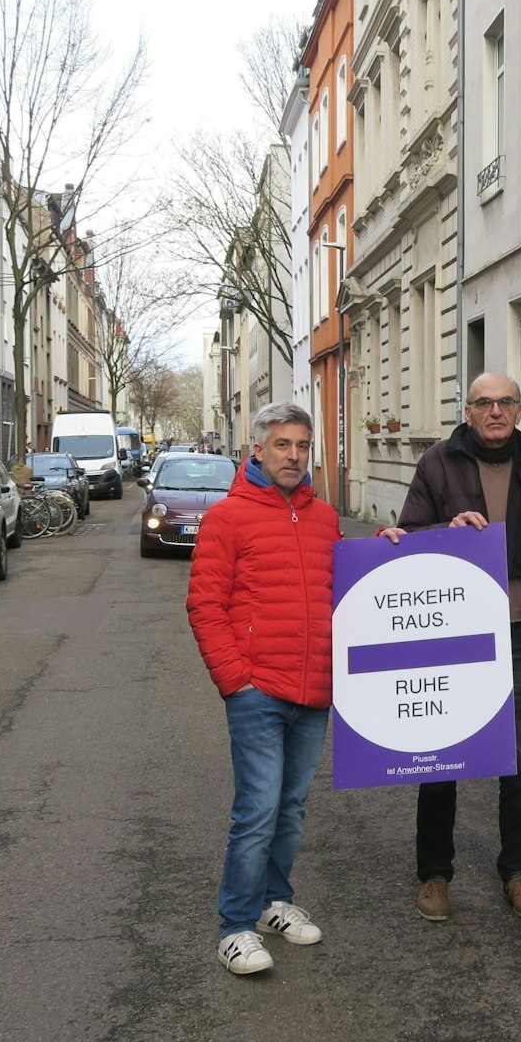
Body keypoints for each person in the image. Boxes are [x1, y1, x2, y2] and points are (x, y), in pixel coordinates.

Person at [389, 372, 521, 923]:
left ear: (518, 409)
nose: (496, 411)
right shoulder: (438, 462)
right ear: (467, 411)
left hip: (519, 629)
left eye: (506, 402)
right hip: (453, 632)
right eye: (485, 403)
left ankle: (518, 873)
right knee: (441, 755)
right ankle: (435, 875)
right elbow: (406, 537)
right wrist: (447, 529)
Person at [186, 403, 342, 976]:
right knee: (257, 809)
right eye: (282, 445)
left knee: (291, 808)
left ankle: (275, 902)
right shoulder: (228, 518)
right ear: (257, 450)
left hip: (313, 690)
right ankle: (235, 927)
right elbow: (204, 605)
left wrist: (392, 544)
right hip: (258, 690)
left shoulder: (325, 518)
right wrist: (236, 679)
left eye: (302, 445)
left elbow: (352, 585)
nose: (294, 456)